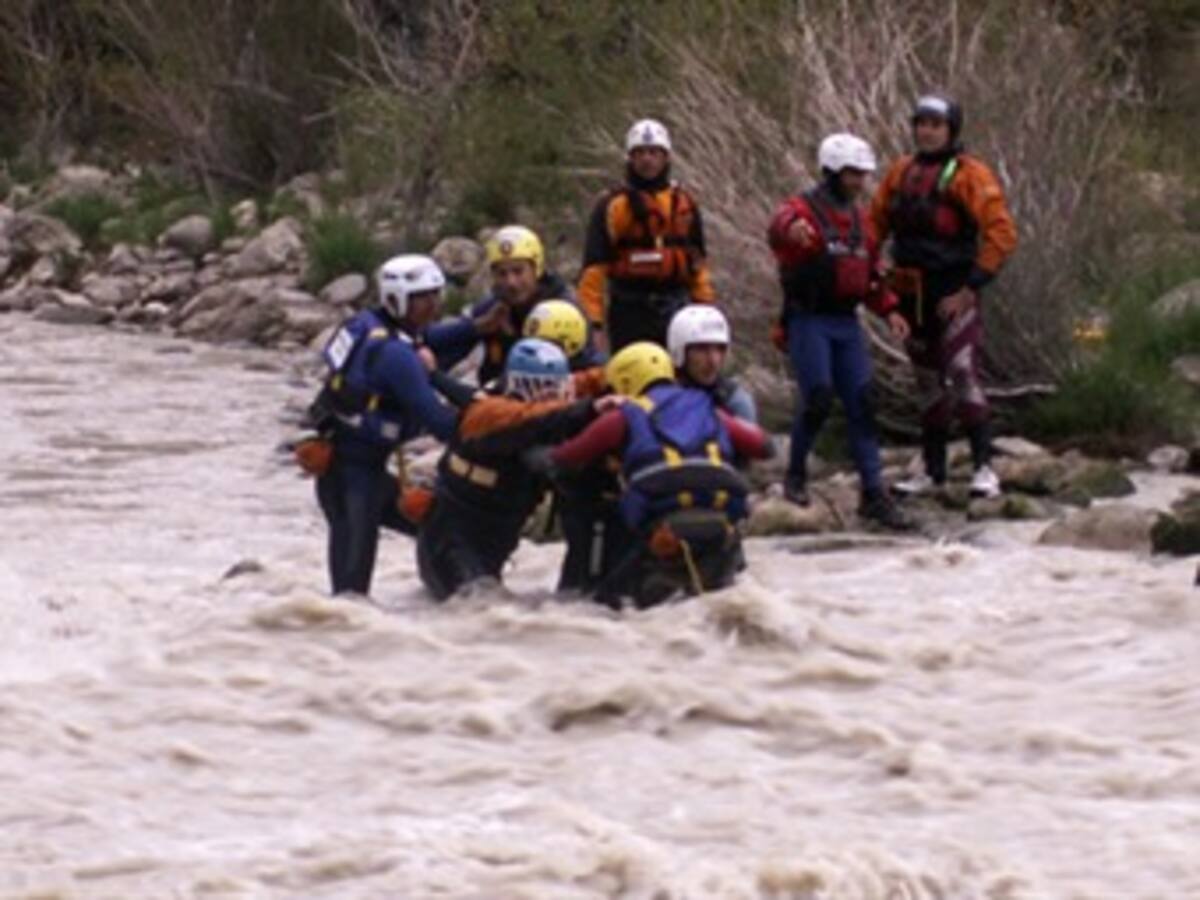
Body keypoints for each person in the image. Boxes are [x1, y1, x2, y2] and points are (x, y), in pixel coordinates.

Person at [540, 342, 773, 608]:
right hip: (721, 528)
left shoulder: (622, 416)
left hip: (662, 533)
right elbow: (764, 447)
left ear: (625, 381)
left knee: (607, 604)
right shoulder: (709, 408)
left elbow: (566, 457)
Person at [870, 93, 1018, 498]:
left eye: (936, 125)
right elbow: (873, 227)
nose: (927, 131)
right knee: (928, 384)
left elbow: (1001, 233)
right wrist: (870, 275)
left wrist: (972, 286)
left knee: (962, 371)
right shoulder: (900, 173)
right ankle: (931, 470)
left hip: (954, 292)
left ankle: (984, 468)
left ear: (951, 130)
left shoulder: (971, 175)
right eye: (921, 123)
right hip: (910, 295)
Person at [768, 133, 912, 530]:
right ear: (831, 171)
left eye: (861, 175)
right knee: (817, 396)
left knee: (863, 402)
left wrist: (891, 310)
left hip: (846, 321)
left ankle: (873, 492)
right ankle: (795, 475)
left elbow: (869, 280)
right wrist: (791, 229)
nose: (857, 182)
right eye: (851, 174)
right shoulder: (802, 210)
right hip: (808, 319)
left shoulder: (862, 224)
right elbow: (779, 224)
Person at [304, 254, 458, 596]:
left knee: (439, 525)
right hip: (355, 480)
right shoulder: (396, 355)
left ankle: (456, 595)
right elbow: (440, 422)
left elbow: (441, 337)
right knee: (350, 596)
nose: (433, 305)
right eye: (423, 298)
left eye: (436, 295)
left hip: (351, 471)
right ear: (397, 300)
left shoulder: (365, 325)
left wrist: (479, 326)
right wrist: (490, 422)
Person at [416, 338, 613, 600]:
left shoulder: (551, 400)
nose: (553, 396)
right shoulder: (489, 415)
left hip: (498, 534)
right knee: (477, 607)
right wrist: (590, 409)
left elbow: (582, 384)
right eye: (544, 388)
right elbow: (534, 420)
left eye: (557, 388)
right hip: (452, 536)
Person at [578, 118, 716, 352]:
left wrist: (706, 309)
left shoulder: (684, 204)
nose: (647, 159)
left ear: (666, 157)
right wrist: (595, 325)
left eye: (654, 152)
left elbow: (697, 264)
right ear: (630, 158)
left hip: (677, 307)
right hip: (630, 310)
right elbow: (593, 271)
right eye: (640, 153)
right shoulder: (613, 206)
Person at [425, 224, 576, 386]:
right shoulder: (495, 307)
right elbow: (427, 339)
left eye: (518, 272)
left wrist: (512, 340)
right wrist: (476, 327)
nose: (511, 282)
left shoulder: (563, 310)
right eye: (502, 274)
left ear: (536, 270)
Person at [666, 304, 757, 422]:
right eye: (702, 349)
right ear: (679, 351)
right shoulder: (659, 400)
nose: (713, 361)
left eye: (720, 349)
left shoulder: (735, 402)